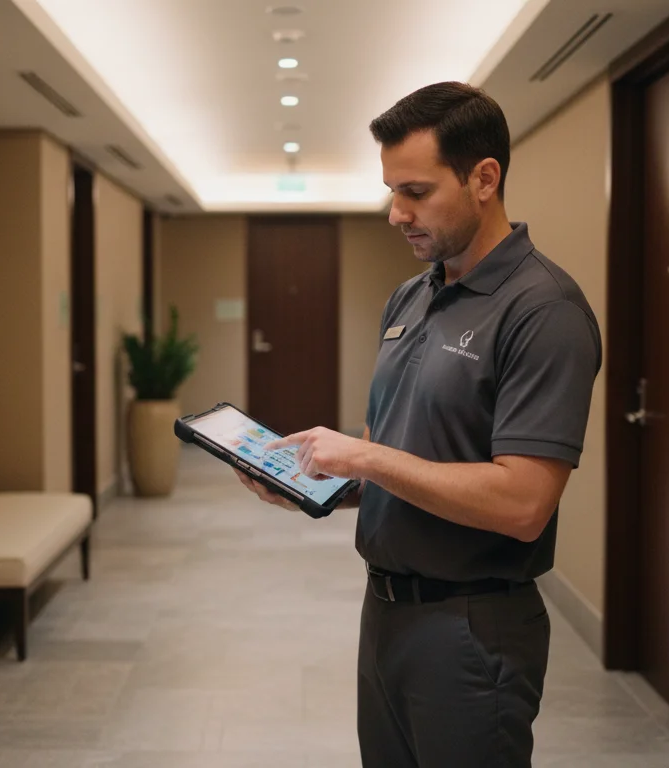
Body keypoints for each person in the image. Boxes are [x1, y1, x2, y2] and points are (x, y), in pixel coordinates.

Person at [233, 81, 602, 768]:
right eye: (390, 191)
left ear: (484, 179)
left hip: (471, 630)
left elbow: (524, 504)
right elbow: (397, 452)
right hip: (385, 613)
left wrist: (364, 460)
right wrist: (320, 483)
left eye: (415, 191)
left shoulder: (543, 311)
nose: (395, 213)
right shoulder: (412, 295)